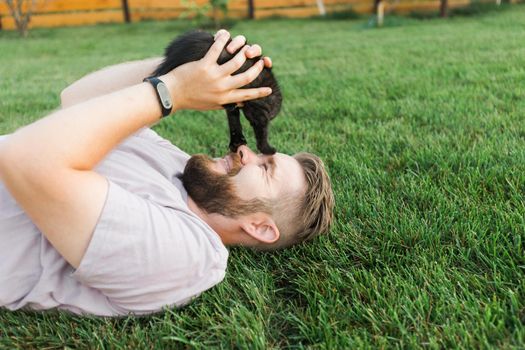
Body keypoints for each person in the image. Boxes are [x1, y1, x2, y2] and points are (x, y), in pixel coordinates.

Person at [0, 30, 334, 316]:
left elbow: (25, 160)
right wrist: (196, 64)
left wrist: (171, 91)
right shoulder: (177, 164)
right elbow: (76, 100)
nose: (245, 151)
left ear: (260, 227)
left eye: (265, 168)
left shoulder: (186, 254)